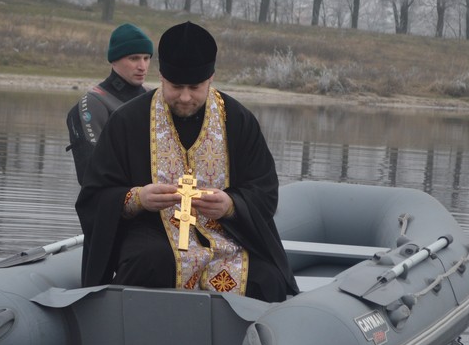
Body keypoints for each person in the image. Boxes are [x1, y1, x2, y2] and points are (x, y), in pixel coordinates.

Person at [75, 21, 299, 303]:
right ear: (161, 76)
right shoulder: (127, 122)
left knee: (267, 278)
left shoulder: (238, 120)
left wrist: (231, 206)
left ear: (211, 78)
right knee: (149, 262)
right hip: (152, 229)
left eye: (195, 87)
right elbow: (94, 196)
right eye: (175, 86)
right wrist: (137, 198)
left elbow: (265, 192)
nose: (184, 97)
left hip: (226, 235)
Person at [66, 23, 154, 184]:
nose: (142, 66)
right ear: (114, 60)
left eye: (146, 58)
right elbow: (91, 173)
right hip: (116, 201)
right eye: (134, 58)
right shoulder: (93, 104)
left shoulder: (154, 99)